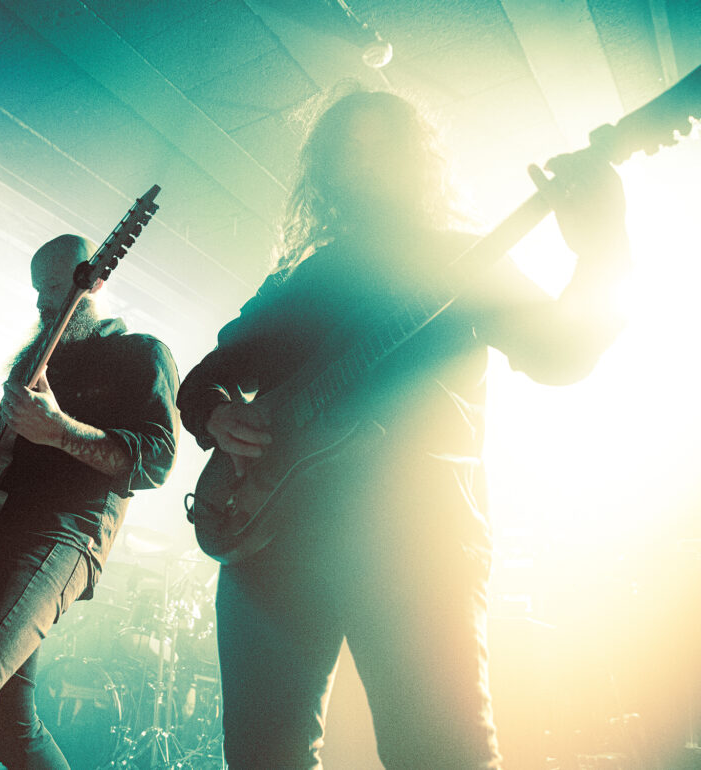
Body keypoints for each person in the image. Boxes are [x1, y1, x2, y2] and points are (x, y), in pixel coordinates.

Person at [176, 86, 631, 769]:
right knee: (264, 757)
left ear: (415, 158)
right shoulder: (303, 276)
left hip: (417, 539)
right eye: (345, 148)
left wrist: (603, 247)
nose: (362, 161)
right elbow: (211, 372)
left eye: (379, 142)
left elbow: (562, 354)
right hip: (269, 536)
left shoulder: (463, 259)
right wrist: (216, 410)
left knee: (441, 754)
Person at [0, 234, 179, 769]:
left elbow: (156, 459)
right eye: (37, 290)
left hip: (64, 535)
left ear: (95, 280)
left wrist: (60, 431)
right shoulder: (36, 363)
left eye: (55, 287)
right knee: (10, 727)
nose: (42, 303)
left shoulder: (139, 354)